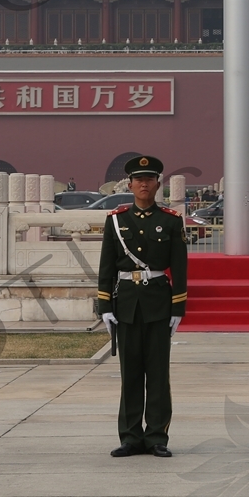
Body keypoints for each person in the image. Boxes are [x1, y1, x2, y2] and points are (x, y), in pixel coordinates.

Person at [95, 154, 188, 458]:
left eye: (149, 179)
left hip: (159, 303)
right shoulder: (117, 220)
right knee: (130, 373)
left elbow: (180, 267)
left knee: (158, 374)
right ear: (131, 184)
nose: (144, 184)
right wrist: (105, 306)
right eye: (139, 180)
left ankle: (157, 437)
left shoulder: (170, 221)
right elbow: (107, 266)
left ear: (157, 184)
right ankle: (131, 437)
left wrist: (178, 308)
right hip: (127, 305)